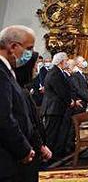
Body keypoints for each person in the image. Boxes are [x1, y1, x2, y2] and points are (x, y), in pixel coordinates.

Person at [0, 26, 51, 182]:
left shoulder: (7, 71)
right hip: (7, 158)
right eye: (29, 48)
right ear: (13, 47)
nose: (30, 53)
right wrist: (23, 149)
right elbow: (4, 117)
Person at [41, 52, 75, 161]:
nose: (67, 63)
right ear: (61, 62)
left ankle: (53, 155)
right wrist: (69, 101)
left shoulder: (57, 72)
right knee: (51, 134)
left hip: (56, 108)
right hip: (53, 109)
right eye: (66, 61)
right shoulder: (55, 73)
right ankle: (47, 158)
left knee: (55, 133)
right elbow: (61, 90)